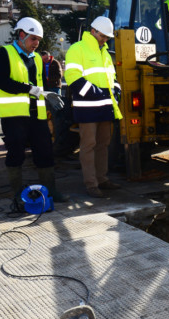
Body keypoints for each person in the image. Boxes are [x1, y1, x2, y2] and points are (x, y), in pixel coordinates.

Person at [0, 17, 68, 209]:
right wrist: (31, 89)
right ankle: (17, 194)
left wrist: (48, 94)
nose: (36, 44)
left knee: (45, 152)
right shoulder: (3, 53)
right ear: (22, 35)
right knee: (15, 153)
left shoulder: (37, 59)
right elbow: (1, 81)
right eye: (33, 39)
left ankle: (51, 190)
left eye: (39, 41)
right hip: (14, 115)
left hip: (37, 115)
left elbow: (42, 85)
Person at [64, 16, 123, 198]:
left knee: (103, 145)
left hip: (105, 107)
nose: (105, 40)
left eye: (107, 37)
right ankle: (91, 184)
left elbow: (111, 78)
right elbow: (72, 76)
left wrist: (117, 89)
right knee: (89, 145)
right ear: (93, 31)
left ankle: (102, 179)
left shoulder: (104, 52)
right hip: (88, 108)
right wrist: (95, 92)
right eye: (103, 36)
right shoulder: (77, 49)